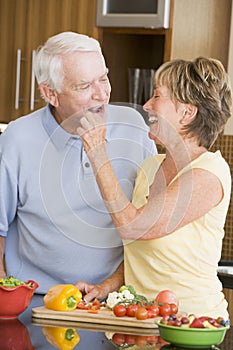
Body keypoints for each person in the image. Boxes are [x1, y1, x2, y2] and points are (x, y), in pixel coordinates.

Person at [0, 32, 156, 300]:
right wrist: (7, 295)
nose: (102, 94)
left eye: (104, 78)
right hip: (37, 301)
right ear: (51, 93)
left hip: (116, 301)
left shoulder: (134, 127)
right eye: (84, 86)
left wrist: (112, 285)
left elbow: (149, 226)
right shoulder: (17, 139)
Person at [76, 57, 232, 318]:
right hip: (141, 320)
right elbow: (144, 253)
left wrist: (99, 154)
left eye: (158, 96)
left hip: (192, 324)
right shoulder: (149, 168)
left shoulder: (209, 173)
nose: (147, 105)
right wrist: (107, 287)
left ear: (187, 113)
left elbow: (134, 226)